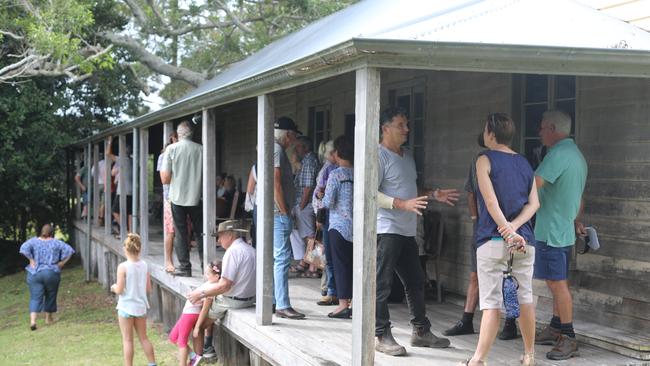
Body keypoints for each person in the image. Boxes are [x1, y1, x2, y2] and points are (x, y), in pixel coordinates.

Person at [374, 107, 459, 356]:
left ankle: (421, 331)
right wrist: (402, 204)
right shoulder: (378, 156)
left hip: (406, 230)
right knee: (382, 283)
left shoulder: (407, 156)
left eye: (407, 124)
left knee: (416, 281)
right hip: (385, 229)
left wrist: (433, 194)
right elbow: (369, 191)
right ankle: (381, 334)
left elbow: (410, 188)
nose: (407, 129)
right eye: (401, 125)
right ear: (385, 128)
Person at [460, 113, 539, 366]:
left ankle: (478, 360)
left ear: (491, 134)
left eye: (485, 130)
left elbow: (490, 201)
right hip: (524, 241)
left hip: (493, 240)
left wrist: (506, 230)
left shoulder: (483, 159)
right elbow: (534, 204)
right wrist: (515, 228)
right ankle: (529, 355)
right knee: (525, 298)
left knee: (491, 303)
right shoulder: (525, 163)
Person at [444, 133, 520, 339]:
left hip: (509, 227)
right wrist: (475, 218)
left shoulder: (516, 163)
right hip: (484, 228)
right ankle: (466, 320)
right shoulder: (479, 162)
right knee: (475, 273)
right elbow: (471, 193)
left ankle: (511, 322)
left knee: (509, 275)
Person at [530, 110, 587, 361]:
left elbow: (534, 184)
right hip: (562, 228)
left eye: (542, 128)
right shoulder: (575, 155)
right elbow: (578, 197)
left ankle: (569, 337)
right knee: (558, 281)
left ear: (552, 128)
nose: (540, 132)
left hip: (552, 231)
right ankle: (555, 327)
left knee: (557, 284)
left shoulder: (558, 154)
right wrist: (575, 218)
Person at [186, 220, 256, 353]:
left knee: (197, 324)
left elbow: (224, 285)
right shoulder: (251, 250)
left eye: (220, 236)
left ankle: (201, 355)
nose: (218, 240)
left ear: (230, 235)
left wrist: (200, 294)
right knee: (210, 296)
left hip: (233, 301)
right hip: (250, 299)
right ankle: (208, 345)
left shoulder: (233, 252)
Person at [271, 116, 304, 319]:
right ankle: (282, 304)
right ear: (288, 135)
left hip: (276, 212)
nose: (294, 141)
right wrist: (284, 211)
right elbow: (275, 183)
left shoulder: (276, 149)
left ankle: (275, 300)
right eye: (293, 136)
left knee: (278, 258)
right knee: (282, 258)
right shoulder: (276, 150)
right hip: (277, 213)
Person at [161, 121, 203, 277]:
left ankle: (185, 267)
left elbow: (165, 178)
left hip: (177, 198)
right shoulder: (201, 149)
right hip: (197, 196)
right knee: (201, 233)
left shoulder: (171, 149)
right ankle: (206, 266)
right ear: (192, 133)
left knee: (180, 232)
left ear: (178, 134)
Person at [110, 233, 157, 366]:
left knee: (128, 340)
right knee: (144, 338)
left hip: (125, 307)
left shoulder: (123, 267)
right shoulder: (144, 265)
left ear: (125, 249)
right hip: (140, 307)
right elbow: (149, 288)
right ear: (139, 249)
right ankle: (152, 363)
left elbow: (119, 289)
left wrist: (113, 287)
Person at [19, 224, 75, 331]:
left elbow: (23, 249)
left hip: (34, 273)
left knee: (35, 297)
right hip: (51, 272)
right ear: (52, 232)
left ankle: (33, 321)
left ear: (41, 232)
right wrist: (62, 263)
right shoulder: (56, 242)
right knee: (50, 294)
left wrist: (31, 259)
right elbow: (70, 251)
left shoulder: (33, 241)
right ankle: (48, 319)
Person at [322, 136, 354, 319]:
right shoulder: (359, 173)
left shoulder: (335, 174)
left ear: (338, 153)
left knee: (341, 265)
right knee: (354, 266)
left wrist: (319, 199)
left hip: (338, 227)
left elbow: (328, 202)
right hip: (356, 227)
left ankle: (343, 305)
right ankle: (355, 303)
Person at [169, 261, 221, 366]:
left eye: (208, 274)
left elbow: (205, 309)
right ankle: (194, 356)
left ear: (216, 276)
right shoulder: (210, 283)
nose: (206, 276)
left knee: (182, 342)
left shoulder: (212, 289)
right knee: (173, 337)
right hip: (187, 312)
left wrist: (197, 327)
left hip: (190, 314)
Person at [290, 136, 320, 277]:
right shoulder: (306, 161)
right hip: (303, 203)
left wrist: (301, 206)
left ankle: (312, 266)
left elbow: (308, 187)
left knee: (310, 237)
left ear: (305, 147)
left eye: (298, 147)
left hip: (305, 204)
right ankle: (307, 263)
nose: (296, 149)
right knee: (307, 236)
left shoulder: (309, 162)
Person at [313, 140, 338, 306]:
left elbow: (321, 195)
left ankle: (332, 291)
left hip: (332, 216)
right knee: (329, 255)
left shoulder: (335, 169)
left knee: (332, 256)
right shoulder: (328, 169)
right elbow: (319, 194)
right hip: (328, 215)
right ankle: (330, 290)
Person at [158, 132, 179, 273]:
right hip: (170, 197)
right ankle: (168, 260)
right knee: (170, 230)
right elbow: (164, 178)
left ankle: (183, 261)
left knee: (182, 231)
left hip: (183, 197)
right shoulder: (163, 156)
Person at [107, 138, 134, 234]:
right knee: (130, 213)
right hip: (132, 191)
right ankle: (131, 232)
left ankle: (125, 230)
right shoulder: (132, 161)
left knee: (115, 211)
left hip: (122, 191)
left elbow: (108, 154)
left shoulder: (122, 160)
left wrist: (110, 140)